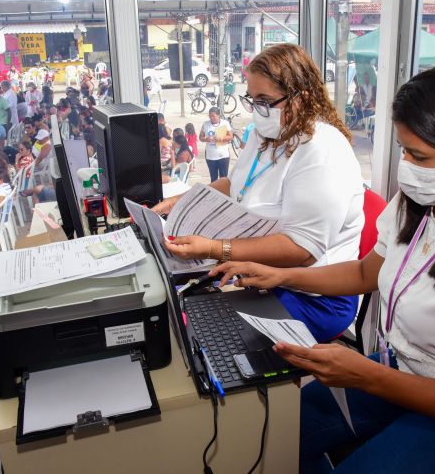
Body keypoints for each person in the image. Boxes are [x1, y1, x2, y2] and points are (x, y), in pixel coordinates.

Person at [210, 62, 435, 473]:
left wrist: (367, 375)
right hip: (404, 371)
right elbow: (364, 274)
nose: (406, 167)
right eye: (403, 149)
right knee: (270, 431)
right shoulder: (423, 203)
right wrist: (281, 275)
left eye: (419, 155)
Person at [155, 43, 364, 341]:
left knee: (211, 335)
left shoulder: (323, 151)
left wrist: (214, 248)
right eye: (252, 100)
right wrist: (180, 202)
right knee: (184, 313)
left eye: (265, 100)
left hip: (312, 295)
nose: (257, 111)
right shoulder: (267, 133)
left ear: (300, 98)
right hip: (260, 273)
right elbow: (234, 184)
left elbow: (302, 251)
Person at [199, 107, 233, 182]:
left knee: (223, 178)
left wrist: (220, 138)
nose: (211, 118)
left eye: (213, 116)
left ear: (218, 116)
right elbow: (200, 137)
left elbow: (230, 136)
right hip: (211, 156)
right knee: (213, 178)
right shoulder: (205, 124)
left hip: (223, 155)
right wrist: (206, 139)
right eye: (210, 116)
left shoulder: (225, 123)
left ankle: (223, 193)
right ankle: (214, 193)